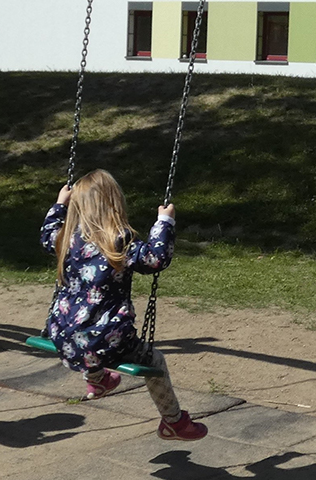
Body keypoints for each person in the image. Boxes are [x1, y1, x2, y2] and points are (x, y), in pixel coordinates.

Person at [39, 170, 206, 441]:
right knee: (154, 360)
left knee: (86, 334)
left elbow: (46, 233)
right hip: (107, 340)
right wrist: (164, 222)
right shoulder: (118, 240)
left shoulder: (66, 237)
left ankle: (97, 380)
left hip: (63, 336)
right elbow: (155, 259)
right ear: (115, 203)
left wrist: (59, 205)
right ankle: (174, 422)